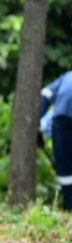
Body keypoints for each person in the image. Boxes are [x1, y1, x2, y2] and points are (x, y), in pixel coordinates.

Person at [40, 70, 72, 210]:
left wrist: (35, 127)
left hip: (61, 120)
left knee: (65, 173)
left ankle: (70, 207)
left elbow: (45, 96)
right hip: (61, 120)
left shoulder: (67, 76)